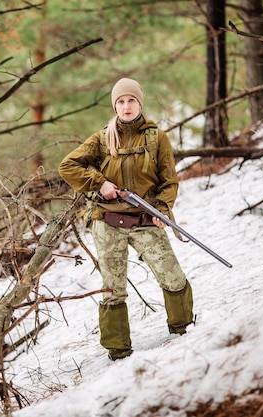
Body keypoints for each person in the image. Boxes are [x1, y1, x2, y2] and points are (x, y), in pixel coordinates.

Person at [58, 78, 194, 361]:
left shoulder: (157, 138)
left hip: (145, 218)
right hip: (108, 223)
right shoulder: (102, 138)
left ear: (139, 103)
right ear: (115, 105)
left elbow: (169, 182)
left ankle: (185, 331)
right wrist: (99, 183)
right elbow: (67, 166)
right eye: (120, 101)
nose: (126, 106)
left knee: (173, 277)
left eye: (131, 100)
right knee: (113, 290)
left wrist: (162, 209)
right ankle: (118, 351)